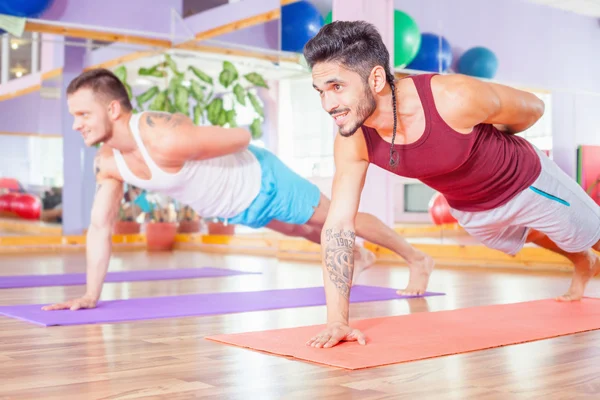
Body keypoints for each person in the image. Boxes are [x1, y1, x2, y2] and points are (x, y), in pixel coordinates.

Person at [302, 20, 600, 349]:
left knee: (594, 234)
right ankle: (581, 260)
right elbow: (339, 226)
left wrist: (494, 146)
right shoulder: (352, 139)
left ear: (375, 79)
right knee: (531, 234)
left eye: (337, 87)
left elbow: (533, 109)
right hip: (470, 207)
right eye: (321, 92)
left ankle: (588, 252)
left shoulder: (452, 97)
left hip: (526, 181)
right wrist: (337, 321)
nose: (328, 104)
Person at [42, 68, 434, 312]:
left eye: (82, 114)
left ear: (112, 110)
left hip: (262, 180)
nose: (76, 125)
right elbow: (99, 226)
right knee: (303, 230)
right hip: (238, 208)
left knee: (335, 218)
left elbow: (242, 134)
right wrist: (90, 296)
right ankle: (359, 257)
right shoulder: (108, 161)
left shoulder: (164, 137)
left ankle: (417, 260)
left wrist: (192, 137)